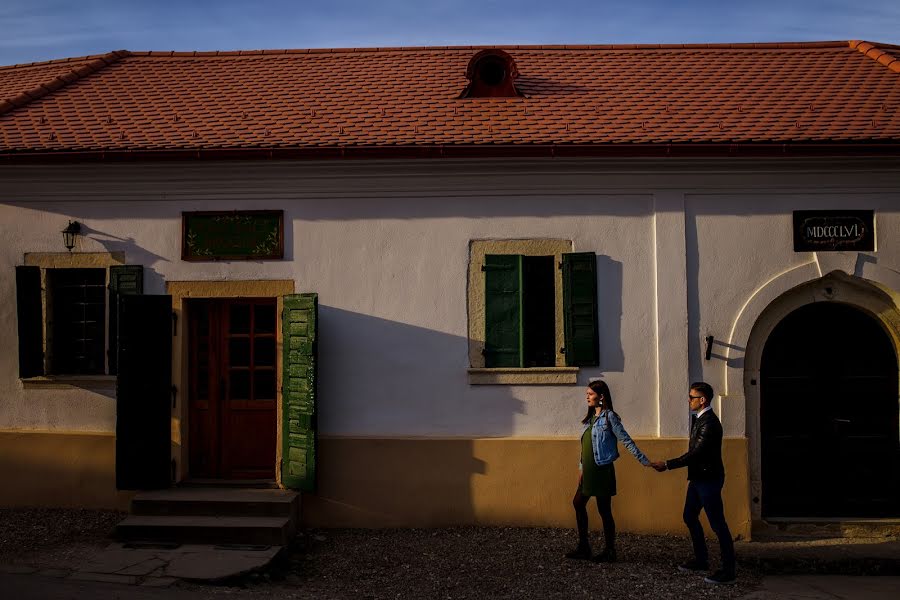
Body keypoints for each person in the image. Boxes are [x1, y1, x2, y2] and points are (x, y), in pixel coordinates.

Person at [650, 381, 736, 585]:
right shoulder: (700, 419)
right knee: (689, 516)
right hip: (698, 478)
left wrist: (667, 465)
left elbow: (696, 454)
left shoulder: (710, 423)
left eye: (691, 397)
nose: (688, 400)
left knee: (718, 524)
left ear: (702, 400)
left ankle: (728, 570)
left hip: (709, 479)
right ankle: (701, 559)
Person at [566, 379, 653, 563]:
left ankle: (610, 550)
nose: (587, 397)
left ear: (601, 396)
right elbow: (585, 448)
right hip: (588, 471)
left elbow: (626, 440)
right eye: (587, 394)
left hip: (602, 469)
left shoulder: (609, 417)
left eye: (590, 394)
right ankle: (584, 547)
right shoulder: (590, 420)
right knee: (578, 503)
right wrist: (581, 468)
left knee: (604, 510)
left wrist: (645, 461)